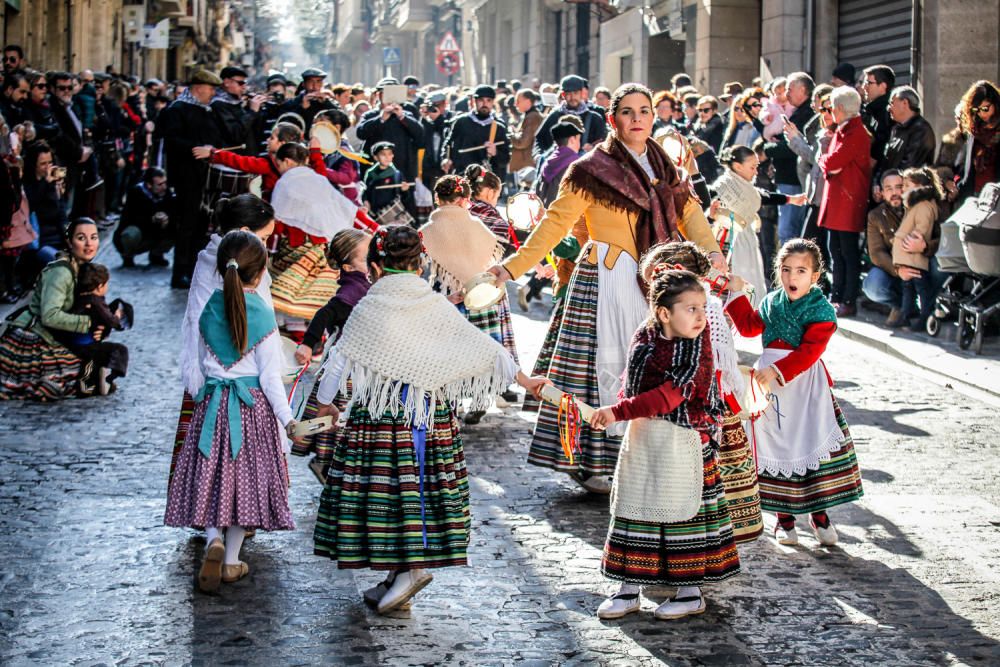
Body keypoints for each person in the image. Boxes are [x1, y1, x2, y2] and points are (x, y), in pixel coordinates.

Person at [487, 83, 723, 495]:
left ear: (653, 117)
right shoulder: (589, 169)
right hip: (606, 278)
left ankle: (655, 454)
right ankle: (590, 461)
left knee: (659, 365)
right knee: (599, 371)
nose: (637, 119)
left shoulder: (665, 166)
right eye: (628, 112)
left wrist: (712, 253)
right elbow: (554, 224)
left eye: (645, 111)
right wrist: (512, 267)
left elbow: (691, 215)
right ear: (612, 120)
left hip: (658, 277)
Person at [311, 225, 546, 614]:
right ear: (420, 264)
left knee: (387, 495)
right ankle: (400, 573)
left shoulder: (371, 305)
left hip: (381, 418)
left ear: (375, 266)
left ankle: (407, 571)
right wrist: (526, 380)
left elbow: (339, 360)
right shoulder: (433, 303)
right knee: (418, 491)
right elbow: (486, 348)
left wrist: (324, 405)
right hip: (427, 417)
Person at [588, 268, 740, 621]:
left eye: (703, 307)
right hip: (645, 437)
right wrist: (624, 413)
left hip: (684, 439)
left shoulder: (696, 347)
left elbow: (670, 396)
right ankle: (628, 589)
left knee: (682, 513)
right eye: (691, 309)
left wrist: (617, 411)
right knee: (633, 504)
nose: (702, 316)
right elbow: (636, 383)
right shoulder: (644, 336)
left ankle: (690, 592)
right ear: (664, 313)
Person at [164, 230, 296, 594]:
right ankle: (232, 559)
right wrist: (288, 420)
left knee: (210, 475)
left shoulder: (208, 311)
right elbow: (271, 380)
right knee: (245, 486)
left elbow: (201, 364)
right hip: (250, 410)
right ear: (261, 272)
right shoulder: (264, 316)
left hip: (212, 405)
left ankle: (212, 540)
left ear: (222, 269)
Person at [726, 239, 864, 547]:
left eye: (801, 271)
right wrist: (736, 291)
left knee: (807, 441)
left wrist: (777, 371)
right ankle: (784, 521)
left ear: (815, 277)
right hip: (768, 386)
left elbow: (809, 352)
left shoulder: (821, 310)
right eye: (786, 270)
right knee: (774, 445)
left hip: (804, 386)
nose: (792, 277)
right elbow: (749, 328)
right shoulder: (771, 301)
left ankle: (820, 515)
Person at [638, 242, 762, 546]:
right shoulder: (666, 314)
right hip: (681, 405)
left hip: (700, 407)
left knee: (700, 479)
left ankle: (698, 544)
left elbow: (719, 361)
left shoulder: (709, 312)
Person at [170, 194, 276, 491]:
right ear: (245, 231)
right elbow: (200, 324)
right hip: (221, 381)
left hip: (220, 376)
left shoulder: (221, 261)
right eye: (265, 237)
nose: (267, 245)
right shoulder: (216, 265)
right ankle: (230, 509)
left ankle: (219, 512)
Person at [292, 228, 372, 482]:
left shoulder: (364, 284)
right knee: (334, 417)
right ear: (348, 267)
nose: (372, 261)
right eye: (365, 258)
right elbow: (322, 316)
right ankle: (327, 465)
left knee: (335, 418)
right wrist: (307, 344)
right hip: (345, 364)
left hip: (358, 361)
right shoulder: (349, 292)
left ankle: (331, 465)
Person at [0, 218, 100, 400]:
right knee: (67, 380)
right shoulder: (61, 272)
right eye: (81, 238)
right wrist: (89, 323)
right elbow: (50, 316)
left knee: (92, 368)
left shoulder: (82, 268)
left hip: (54, 334)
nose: (89, 244)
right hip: (33, 337)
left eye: (93, 237)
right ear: (70, 242)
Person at [269, 142, 358, 325]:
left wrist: (269, 250)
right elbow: (343, 208)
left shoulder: (285, 183)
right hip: (322, 250)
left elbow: (277, 224)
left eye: (279, 165)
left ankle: (296, 339)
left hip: (294, 250)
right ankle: (314, 341)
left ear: (286, 162)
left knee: (288, 299)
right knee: (315, 302)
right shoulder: (318, 179)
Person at [708, 145, 807, 303]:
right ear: (737, 166)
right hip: (727, 241)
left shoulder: (746, 188)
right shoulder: (722, 187)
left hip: (747, 240)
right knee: (728, 285)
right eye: (752, 167)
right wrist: (711, 215)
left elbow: (762, 196)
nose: (756, 172)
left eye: (756, 167)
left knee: (751, 284)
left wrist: (791, 199)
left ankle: (750, 317)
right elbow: (706, 208)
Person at [155, 70, 226, 288]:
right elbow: (172, 140)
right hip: (186, 177)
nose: (213, 93)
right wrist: (197, 148)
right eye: (211, 89)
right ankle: (180, 273)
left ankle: (195, 270)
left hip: (205, 177)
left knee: (201, 225)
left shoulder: (206, 110)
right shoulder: (177, 110)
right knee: (186, 226)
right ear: (198, 88)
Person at [818, 86, 872, 318]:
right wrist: (827, 162)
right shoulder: (844, 131)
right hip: (839, 201)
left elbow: (832, 162)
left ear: (839, 108)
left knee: (847, 253)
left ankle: (847, 299)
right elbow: (832, 163)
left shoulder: (856, 132)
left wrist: (825, 160)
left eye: (831, 107)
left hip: (848, 202)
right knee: (835, 251)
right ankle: (837, 297)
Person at [56, 262, 129, 394]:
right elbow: (111, 321)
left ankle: (94, 380)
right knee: (119, 350)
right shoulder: (95, 301)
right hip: (86, 346)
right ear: (100, 286)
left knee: (91, 361)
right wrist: (118, 316)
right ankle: (109, 379)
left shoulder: (77, 297)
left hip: (70, 343)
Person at [193, 121, 306, 202]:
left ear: (282, 144)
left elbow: (240, 161)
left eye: (271, 138)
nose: (267, 140)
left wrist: (213, 153)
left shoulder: (267, 164)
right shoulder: (302, 163)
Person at [764, 72, 815, 245]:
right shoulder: (798, 112)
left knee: (790, 232)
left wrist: (768, 149)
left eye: (789, 89)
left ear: (802, 90)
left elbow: (792, 147)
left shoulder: (807, 114)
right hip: (787, 178)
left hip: (794, 180)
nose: (787, 94)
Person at [893, 166, 944, 330]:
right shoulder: (913, 205)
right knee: (908, 286)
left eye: (908, 186)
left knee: (921, 287)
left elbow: (923, 228)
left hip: (914, 254)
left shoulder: (923, 206)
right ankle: (906, 314)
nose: (903, 190)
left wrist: (913, 241)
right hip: (908, 255)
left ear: (920, 187)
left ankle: (925, 316)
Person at [863, 170, 907, 325]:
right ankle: (899, 305)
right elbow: (876, 252)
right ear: (881, 193)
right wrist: (897, 270)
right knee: (872, 286)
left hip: (918, 265)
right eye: (889, 189)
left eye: (899, 187)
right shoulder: (875, 215)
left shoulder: (917, 209)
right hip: (892, 267)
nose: (895, 193)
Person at [441, 85, 511, 181]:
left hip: (487, 182)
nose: (484, 104)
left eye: (488, 100)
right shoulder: (461, 122)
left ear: (493, 102)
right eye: (481, 100)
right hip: (463, 177)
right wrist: (446, 158)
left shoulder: (499, 127)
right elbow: (448, 144)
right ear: (474, 101)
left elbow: (505, 159)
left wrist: (495, 153)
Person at [113, 167, 175, 268]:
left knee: (176, 228)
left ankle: (157, 254)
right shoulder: (136, 193)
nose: (164, 187)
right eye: (159, 184)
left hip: (156, 232)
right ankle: (127, 256)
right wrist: (152, 218)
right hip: (140, 231)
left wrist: (167, 218)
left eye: (165, 183)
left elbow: (173, 211)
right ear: (149, 185)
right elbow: (130, 218)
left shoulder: (167, 193)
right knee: (131, 234)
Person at [532, 75, 607, 157]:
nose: (572, 97)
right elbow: (539, 140)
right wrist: (539, 157)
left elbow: (605, 143)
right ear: (563, 95)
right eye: (568, 94)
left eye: (575, 93)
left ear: (582, 93)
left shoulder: (595, 119)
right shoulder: (555, 116)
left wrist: (594, 148)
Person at [956, 80, 1000, 202]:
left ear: (995, 104)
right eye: (976, 110)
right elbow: (965, 167)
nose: (981, 113)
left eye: (985, 108)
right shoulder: (974, 130)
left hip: (996, 195)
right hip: (973, 194)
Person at [363, 141, 413, 223]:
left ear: (393, 156)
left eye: (389, 154)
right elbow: (366, 191)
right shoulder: (370, 173)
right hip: (376, 215)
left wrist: (405, 190)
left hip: (393, 214)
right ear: (375, 157)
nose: (387, 157)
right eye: (383, 154)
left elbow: (405, 198)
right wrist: (365, 201)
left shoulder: (397, 174)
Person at [861, 65, 896, 173]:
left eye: (869, 83)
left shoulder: (887, 111)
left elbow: (883, 142)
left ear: (883, 86)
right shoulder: (872, 110)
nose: (864, 87)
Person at [279, 68, 335, 133]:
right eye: (311, 82)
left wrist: (326, 103)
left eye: (318, 82)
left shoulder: (328, 101)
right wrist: (302, 109)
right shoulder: (291, 103)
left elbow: (341, 120)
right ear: (304, 84)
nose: (315, 86)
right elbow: (285, 124)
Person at [509, 89, 542, 176]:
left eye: (518, 101)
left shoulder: (532, 117)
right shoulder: (530, 115)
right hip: (525, 164)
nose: (515, 104)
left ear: (527, 101)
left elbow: (523, 142)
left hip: (527, 165)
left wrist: (511, 135)